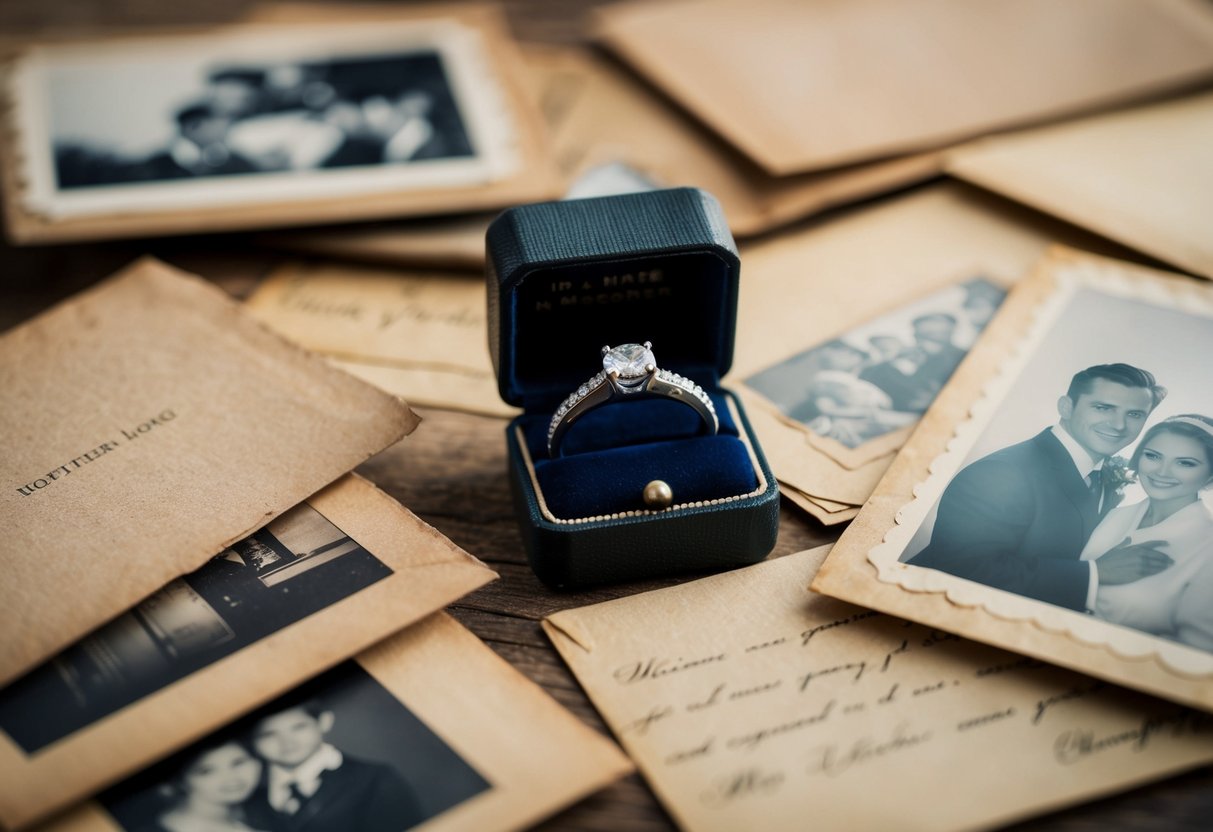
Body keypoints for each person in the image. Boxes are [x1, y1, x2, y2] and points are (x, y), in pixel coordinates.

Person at [911, 363, 1170, 610]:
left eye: (1135, 414)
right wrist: (1096, 573)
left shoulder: (1103, 475)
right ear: (1066, 407)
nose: (1119, 425)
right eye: (1103, 408)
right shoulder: (1003, 472)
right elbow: (963, 570)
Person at [1083, 415, 1213, 649]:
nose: (1162, 472)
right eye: (1153, 456)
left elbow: (1196, 651)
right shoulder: (1117, 515)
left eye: (1185, 463)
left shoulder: (1208, 544)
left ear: (1211, 475)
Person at [243, 700, 423, 832]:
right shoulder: (247, 795)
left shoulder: (374, 779)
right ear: (252, 741)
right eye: (268, 734)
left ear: (323, 722)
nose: (286, 742)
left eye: (298, 727)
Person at [151, 740, 268, 832]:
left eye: (238, 762)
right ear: (181, 781)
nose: (231, 778)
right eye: (207, 771)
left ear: (257, 762)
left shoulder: (264, 807)